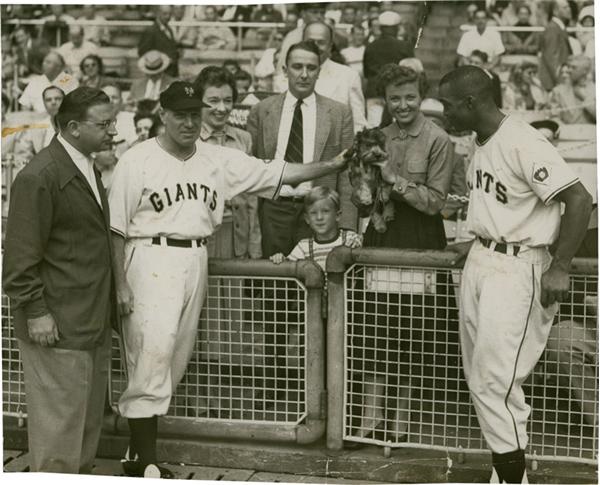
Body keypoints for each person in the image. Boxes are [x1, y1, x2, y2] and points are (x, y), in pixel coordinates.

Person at [439, 65, 593, 483]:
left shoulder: (522, 140)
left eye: (451, 106)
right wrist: (476, 242)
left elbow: (580, 200)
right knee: (481, 378)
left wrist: (560, 265)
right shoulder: (480, 141)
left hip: (519, 266)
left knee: (496, 382)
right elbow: (503, 205)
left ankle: (510, 478)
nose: (445, 114)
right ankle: (507, 473)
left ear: (472, 102)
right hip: (484, 260)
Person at [2, 86, 117, 474]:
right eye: (103, 124)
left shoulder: (85, 163)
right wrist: (36, 312)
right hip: (58, 325)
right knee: (57, 444)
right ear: (72, 127)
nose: (113, 131)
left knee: (83, 434)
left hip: (88, 320)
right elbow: (18, 261)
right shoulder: (40, 176)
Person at [352, 65, 453, 442]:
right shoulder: (377, 137)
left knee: (412, 332)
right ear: (385, 100)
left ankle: (401, 421)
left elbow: (437, 203)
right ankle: (371, 416)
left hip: (421, 238)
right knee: (375, 328)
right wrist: (362, 184)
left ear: (421, 95)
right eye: (395, 98)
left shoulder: (438, 139)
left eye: (410, 96)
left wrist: (396, 181)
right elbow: (363, 198)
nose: (403, 104)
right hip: (382, 234)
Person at [246, 40, 356, 258]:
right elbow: (253, 168)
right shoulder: (261, 111)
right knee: (273, 282)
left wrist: (348, 227)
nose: (304, 74)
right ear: (285, 70)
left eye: (311, 68)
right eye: (297, 67)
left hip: (317, 209)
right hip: (274, 208)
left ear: (319, 72)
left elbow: (347, 174)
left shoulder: (338, 113)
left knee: (317, 279)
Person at [270, 186, 362, 269]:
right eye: (313, 213)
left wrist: (356, 244)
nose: (319, 218)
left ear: (337, 215)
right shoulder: (303, 246)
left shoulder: (349, 238)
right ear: (307, 219)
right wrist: (280, 259)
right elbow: (289, 266)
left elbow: (361, 248)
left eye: (325, 211)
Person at [301, 21, 368, 133]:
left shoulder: (348, 76)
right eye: (310, 42)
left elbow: (358, 124)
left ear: (330, 46)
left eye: (321, 42)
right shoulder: (288, 75)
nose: (315, 47)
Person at [363, 11, 414, 128]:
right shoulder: (404, 46)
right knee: (397, 129)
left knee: (374, 127)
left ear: (381, 28)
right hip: (397, 91)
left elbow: (366, 72)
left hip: (374, 90)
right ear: (396, 28)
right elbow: (411, 71)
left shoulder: (370, 46)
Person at [549, 55, 596, 124]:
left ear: (585, 71)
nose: (569, 70)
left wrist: (584, 98)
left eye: (574, 67)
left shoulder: (594, 90)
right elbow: (553, 116)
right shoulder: (558, 91)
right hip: (566, 133)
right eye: (569, 67)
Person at [539, 0, 573, 92]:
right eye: (565, 7)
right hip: (553, 82)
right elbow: (551, 57)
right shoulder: (553, 28)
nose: (569, 9)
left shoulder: (558, 27)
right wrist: (561, 80)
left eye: (569, 7)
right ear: (555, 11)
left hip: (557, 80)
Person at [138, 5, 179, 77]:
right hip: (158, 74)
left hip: (172, 73)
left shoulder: (169, 29)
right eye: (165, 14)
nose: (168, 16)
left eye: (170, 14)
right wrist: (157, 62)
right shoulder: (151, 31)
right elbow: (143, 52)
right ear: (158, 13)